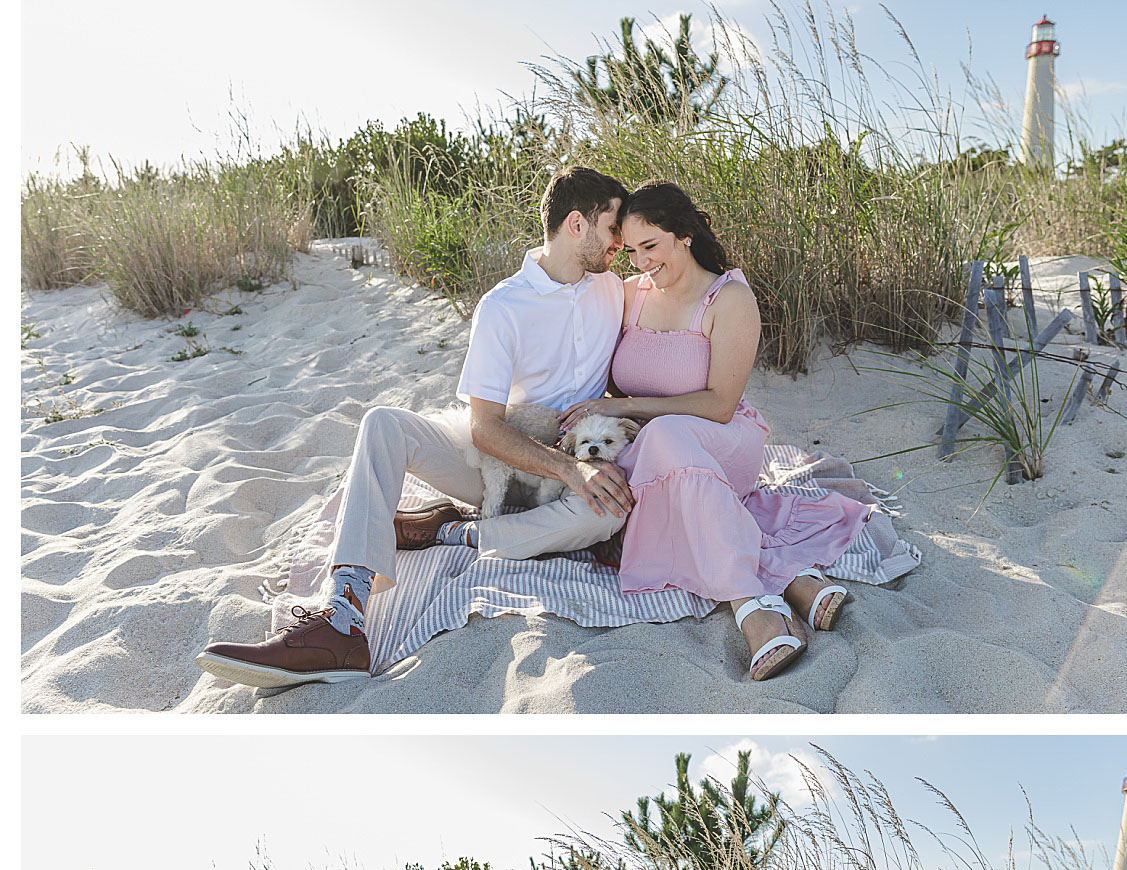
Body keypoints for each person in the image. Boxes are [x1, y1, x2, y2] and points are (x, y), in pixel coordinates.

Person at [194, 168, 635, 690]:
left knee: (602, 513)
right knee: (383, 424)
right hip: (503, 465)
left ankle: (452, 531)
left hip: (564, 485)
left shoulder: (615, 290)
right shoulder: (503, 306)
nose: (621, 245)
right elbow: (486, 431)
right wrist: (569, 465)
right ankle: (343, 622)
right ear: (577, 224)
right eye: (613, 230)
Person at [559, 182, 884, 682]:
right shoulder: (627, 297)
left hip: (723, 440)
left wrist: (624, 404)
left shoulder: (729, 299)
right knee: (663, 442)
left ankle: (749, 604)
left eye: (652, 246)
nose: (642, 261)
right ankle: (792, 579)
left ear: (684, 235)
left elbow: (720, 403)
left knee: (668, 437)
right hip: (647, 449)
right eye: (633, 249)